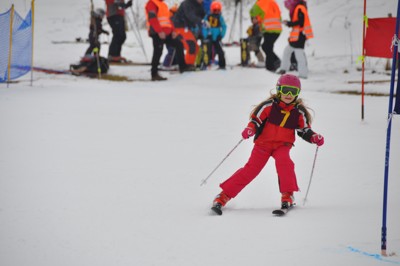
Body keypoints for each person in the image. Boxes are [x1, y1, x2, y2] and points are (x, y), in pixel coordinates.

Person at [211, 74, 325, 215]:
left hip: (282, 145)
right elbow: (255, 120)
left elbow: (304, 130)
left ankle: (287, 195)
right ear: (278, 90)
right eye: (285, 90)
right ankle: (223, 196)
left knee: (285, 162)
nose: (289, 95)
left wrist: (313, 137)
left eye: (293, 91)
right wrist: (250, 129)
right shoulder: (269, 106)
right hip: (263, 145)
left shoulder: (298, 112)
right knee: (251, 170)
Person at [145, 0, 189, 81]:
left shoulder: (163, 5)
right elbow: (152, 18)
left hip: (167, 33)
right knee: (158, 51)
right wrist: (159, 31)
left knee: (179, 44)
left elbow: (168, 20)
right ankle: (154, 74)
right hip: (157, 32)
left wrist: (173, 31)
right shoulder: (152, 3)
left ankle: (183, 67)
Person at [276, 0, 313, 79]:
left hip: (300, 36)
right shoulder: (297, 8)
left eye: (288, 6)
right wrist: (289, 23)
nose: (288, 8)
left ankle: (303, 74)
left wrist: (290, 23)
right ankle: (283, 69)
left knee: (299, 55)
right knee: (287, 52)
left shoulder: (300, 8)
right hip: (295, 36)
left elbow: (301, 22)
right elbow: (297, 22)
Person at [250, 0, 282, 71]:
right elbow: (279, 15)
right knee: (266, 46)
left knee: (267, 47)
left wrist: (255, 17)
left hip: (269, 29)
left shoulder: (261, 2)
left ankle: (270, 67)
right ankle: (276, 61)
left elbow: (253, 12)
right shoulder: (273, 2)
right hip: (278, 29)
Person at [172, 0, 206, 66]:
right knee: (191, 44)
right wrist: (201, 21)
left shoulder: (199, 5)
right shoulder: (187, 3)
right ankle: (188, 65)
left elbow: (203, 15)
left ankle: (192, 63)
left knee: (196, 47)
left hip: (187, 28)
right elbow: (190, 15)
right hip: (179, 26)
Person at [201, 1, 227, 69]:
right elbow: (204, 26)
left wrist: (221, 35)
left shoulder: (220, 17)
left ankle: (222, 65)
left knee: (220, 51)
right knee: (206, 51)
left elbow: (224, 26)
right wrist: (206, 35)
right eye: (215, 10)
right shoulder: (207, 17)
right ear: (212, 10)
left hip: (217, 38)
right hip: (209, 37)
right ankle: (204, 64)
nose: (216, 12)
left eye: (218, 10)